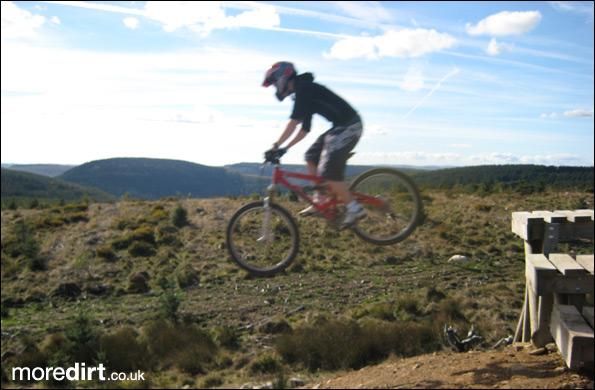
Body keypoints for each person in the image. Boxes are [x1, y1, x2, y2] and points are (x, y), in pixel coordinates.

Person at [262, 61, 365, 228]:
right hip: (340, 127)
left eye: (274, 83)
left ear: (282, 78)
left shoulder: (304, 88)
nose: (275, 87)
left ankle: (354, 208)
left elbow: (294, 123)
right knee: (311, 156)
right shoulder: (303, 90)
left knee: (329, 173)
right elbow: (304, 129)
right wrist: (284, 149)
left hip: (349, 126)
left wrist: (276, 146)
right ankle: (320, 200)